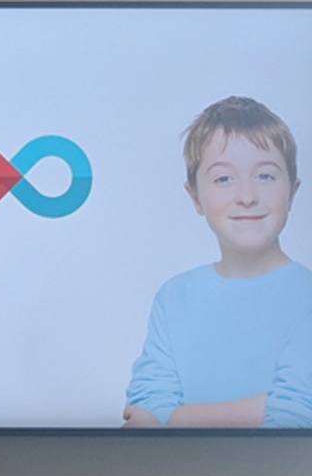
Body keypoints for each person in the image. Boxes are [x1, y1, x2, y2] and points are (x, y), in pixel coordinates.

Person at [123, 96, 312, 428]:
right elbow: (144, 410)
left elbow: (295, 416)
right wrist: (260, 407)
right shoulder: (174, 298)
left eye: (265, 176)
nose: (247, 196)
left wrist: (173, 421)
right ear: (195, 197)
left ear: (293, 191)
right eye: (224, 179)